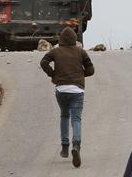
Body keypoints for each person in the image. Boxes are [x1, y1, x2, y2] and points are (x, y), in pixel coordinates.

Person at [39, 27, 95, 167]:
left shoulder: (56, 51)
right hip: (77, 91)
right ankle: (76, 146)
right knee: (76, 119)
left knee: (64, 116)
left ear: (61, 39)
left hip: (61, 89)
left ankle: (64, 147)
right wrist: (81, 74)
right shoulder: (80, 52)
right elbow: (91, 70)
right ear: (75, 38)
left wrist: (52, 74)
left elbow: (43, 62)